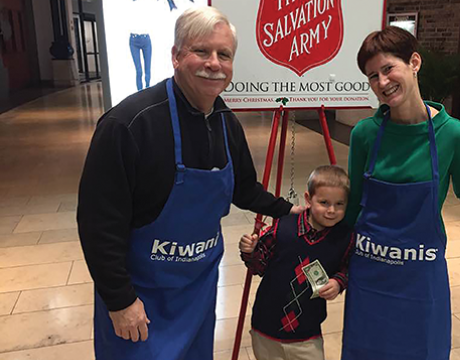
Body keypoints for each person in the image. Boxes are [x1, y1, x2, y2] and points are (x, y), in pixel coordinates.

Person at [77, 6, 303, 360]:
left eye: (224, 54)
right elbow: (98, 223)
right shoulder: (128, 125)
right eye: (202, 51)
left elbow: (244, 188)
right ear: (176, 56)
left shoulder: (226, 122)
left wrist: (291, 211)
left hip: (197, 291)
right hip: (142, 298)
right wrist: (120, 300)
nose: (214, 63)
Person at [341, 26, 460, 360]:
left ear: (414, 62)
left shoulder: (453, 134)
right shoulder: (365, 134)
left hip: (420, 275)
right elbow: (353, 208)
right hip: (369, 272)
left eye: (388, 68)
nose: (382, 82)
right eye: (372, 76)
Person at [240, 165, 354, 360]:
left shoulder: (344, 238)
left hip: (307, 333)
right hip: (266, 326)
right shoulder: (282, 228)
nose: (331, 210)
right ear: (308, 199)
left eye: (339, 204)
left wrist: (338, 282)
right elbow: (258, 267)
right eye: (324, 202)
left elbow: (349, 267)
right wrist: (250, 251)